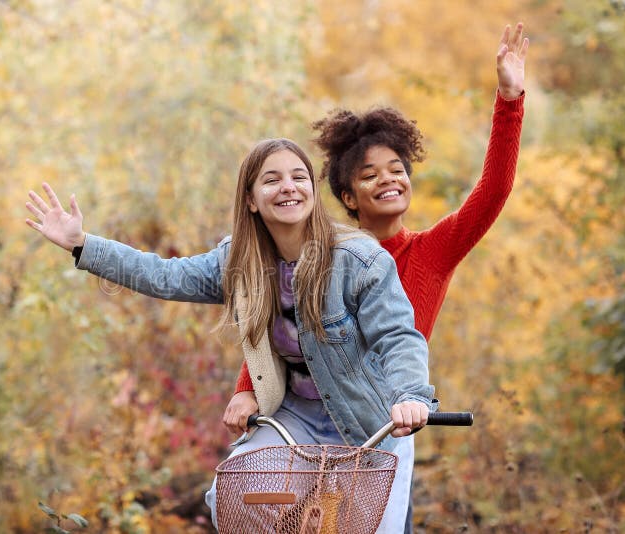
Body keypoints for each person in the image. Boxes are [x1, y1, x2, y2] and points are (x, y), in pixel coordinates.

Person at [25, 137, 436, 532]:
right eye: (272, 180)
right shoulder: (238, 261)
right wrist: (82, 244)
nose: (288, 187)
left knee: (367, 526)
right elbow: (164, 276)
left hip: (372, 420)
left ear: (313, 190)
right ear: (251, 200)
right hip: (295, 421)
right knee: (233, 497)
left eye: (299, 177)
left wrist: (411, 397)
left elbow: (398, 336)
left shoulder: (361, 260)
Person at [222, 22, 529, 533]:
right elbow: (279, 331)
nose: (388, 179)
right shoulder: (322, 253)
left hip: (383, 427)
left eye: (396, 169)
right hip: (311, 419)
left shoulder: (433, 252)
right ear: (347, 197)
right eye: (369, 175)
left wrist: (509, 99)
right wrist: (246, 389)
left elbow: (493, 190)